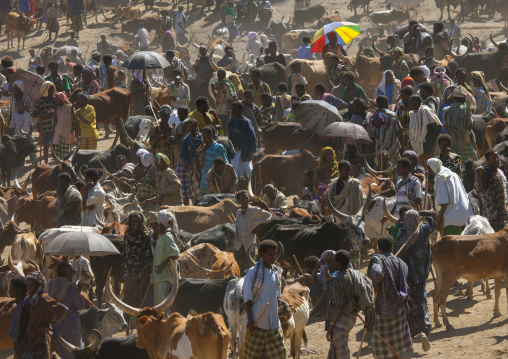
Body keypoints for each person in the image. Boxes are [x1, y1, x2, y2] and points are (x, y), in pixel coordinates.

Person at [394, 210, 433, 350]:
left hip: (406, 278)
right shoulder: (423, 230)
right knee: (421, 301)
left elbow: (397, 256)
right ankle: (424, 329)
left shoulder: (402, 235)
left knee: (410, 304)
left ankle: (411, 333)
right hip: (421, 275)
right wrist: (422, 211)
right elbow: (432, 215)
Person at [368, 236, 413, 359]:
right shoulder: (401, 263)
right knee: (397, 340)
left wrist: (377, 284)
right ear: (392, 247)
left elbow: (377, 273)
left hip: (384, 305)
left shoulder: (378, 259)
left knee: (382, 339)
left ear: (378, 247)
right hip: (399, 305)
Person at [326, 250, 374, 359]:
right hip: (351, 317)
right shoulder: (354, 274)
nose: (332, 263)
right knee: (338, 347)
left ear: (338, 262)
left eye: (334, 261)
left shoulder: (339, 279)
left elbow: (338, 305)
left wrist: (331, 325)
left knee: (342, 351)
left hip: (342, 319)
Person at [243, 240, 285, 359]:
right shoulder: (252, 273)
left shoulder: (276, 273)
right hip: (257, 324)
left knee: (280, 353)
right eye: (270, 254)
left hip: (274, 324)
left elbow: (277, 297)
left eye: (275, 254)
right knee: (253, 356)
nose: (274, 257)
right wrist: (251, 322)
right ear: (262, 254)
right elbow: (247, 300)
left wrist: (284, 306)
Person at [19, 272, 69, 359]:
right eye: (27, 285)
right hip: (30, 341)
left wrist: (51, 326)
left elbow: (65, 310)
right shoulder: (30, 299)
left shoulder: (44, 299)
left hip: (40, 342)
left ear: (38, 286)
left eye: (31, 285)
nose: (28, 288)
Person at [46, 263, 85, 359]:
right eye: (71, 271)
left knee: (55, 352)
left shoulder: (49, 283)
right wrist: (78, 291)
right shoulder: (71, 288)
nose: (73, 274)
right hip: (70, 328)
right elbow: (80, 307)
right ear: (67, 272)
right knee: (72, 352)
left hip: (52, 324)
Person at [427, 158, 472, 235]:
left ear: (434, 167)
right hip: (465, 215)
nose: (430, 172)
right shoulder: (453, 175)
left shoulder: (441, 177)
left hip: (452, 218)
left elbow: (444, 203)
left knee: (451, 245)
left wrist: (438, 222)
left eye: (430, 169)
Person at [122, 212, 153, 316]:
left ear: (142, 222)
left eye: (138, 221)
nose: (135, 224)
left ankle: (135, 322)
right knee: (126, 299)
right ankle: (126, 320)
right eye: (133, 221)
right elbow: (125, 253)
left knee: (138, 300)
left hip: (140, 275)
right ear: (129, 222)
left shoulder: (145, 236)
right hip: (129, 274)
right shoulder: (127, 235)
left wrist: (145, 278)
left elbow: (148, 258)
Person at [234, 190, 272, 272]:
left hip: (249, 244)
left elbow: (269, 216)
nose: (245, 200)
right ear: (238, 201)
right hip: (238, 245)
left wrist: (258, 228)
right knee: (238, 268)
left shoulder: (254, 211)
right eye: (243, 199)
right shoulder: (238, 212)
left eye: (246, 198)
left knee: (249, 269)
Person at [152, 210, 180, 314]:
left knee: (164, 306)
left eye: (158, 223)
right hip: (158, 277)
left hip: (165, 276)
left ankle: (166, 326)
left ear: (161, 222)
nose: (157, 224)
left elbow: (175, 253)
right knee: (159, 305)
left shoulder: (167, 236)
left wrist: (162, 266)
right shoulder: (161, 236)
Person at [475, 149, 508, 231]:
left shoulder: (499, 172)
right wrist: (476, 173)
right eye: (493, 159)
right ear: (487, 160)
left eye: (497, 158)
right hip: (492, 213)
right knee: (492, 237)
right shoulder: (486, 172)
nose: (496, 160)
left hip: (501, 211)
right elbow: (479, 188)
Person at [442, 86, 478, 160]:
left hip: (452, 142)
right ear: (464, 99)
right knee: (473, 161)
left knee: (455, 161)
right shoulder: (466, 109)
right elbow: (469, 126)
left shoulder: (446, 110)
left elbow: (445, 125)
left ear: (454, 98)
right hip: (465, 141)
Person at [408, 95, 442, 164]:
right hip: (417, 147)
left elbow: (438, 126)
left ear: (416, 103)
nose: (409, 105)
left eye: (410, 103)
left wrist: (432, 140)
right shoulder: (412, 114)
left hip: (427, 147)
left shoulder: (425, 111)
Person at [228, 101, 257, 179]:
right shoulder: (231, 121)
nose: (232, 111)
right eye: (232, 109)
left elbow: (253, 139)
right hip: (234, 153)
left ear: (240, 110)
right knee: (235, 173)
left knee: (247, 174)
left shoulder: (246, 122)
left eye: (234, 109)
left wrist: (250, 153)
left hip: (244, 152)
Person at [198, 126, 229, 194]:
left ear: (211, 135)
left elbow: (226, 164)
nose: (204, 138)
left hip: (215, 182)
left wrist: (218, 174)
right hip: (204, 182)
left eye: (205, 135)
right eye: (203, 136)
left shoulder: (219, 148)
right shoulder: (202, 148)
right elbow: (201, 164)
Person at [32, 81, 57, 164]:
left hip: (54, 125)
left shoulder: (54, 99)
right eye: (49, 89)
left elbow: (58, 110)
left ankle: (55, 161)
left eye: (52, 89)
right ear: (45, 89)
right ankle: (46, 163)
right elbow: (34, 114)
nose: (51, 91)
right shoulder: (39, 101)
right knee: (45, 146)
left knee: (54, 145)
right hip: (45, 127)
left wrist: (54, 112)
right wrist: (44, 114)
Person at [371, 96, 401, 163]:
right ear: (385, 103)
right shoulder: (392, 115)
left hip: (379, 147)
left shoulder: (374, 115)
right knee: (393, 167)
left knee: (380, 165)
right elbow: (399, 130)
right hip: (392, 148)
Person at [179, 118, 202, 204]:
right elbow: (182, 155)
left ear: (197, 126)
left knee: (202, 189)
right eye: (189, 127)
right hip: (193, 169)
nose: (191, 129)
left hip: (202, 167)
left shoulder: (202, 137)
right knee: (194, 190)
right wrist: (189, 165)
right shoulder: (186, 140)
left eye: (192, 127)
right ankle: (195, 205)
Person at [7, 275, 31, 359]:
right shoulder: (20, 303)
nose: (9, 290)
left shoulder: (26, 306)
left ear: (19, 290)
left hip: (26, 348)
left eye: (12, 288)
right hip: (19, 348)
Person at [52, 92, 74, 159]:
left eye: (57, 100)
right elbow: (55, 123)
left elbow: (74, 119)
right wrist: (54, 112)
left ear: (62, 99)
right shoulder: (57, 109)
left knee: (65, 156)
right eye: (55, 100)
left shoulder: (70, 107)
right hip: (58, 133)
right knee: (58, 156)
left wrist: (73, 129)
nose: (56, 101)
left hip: (66, 134)